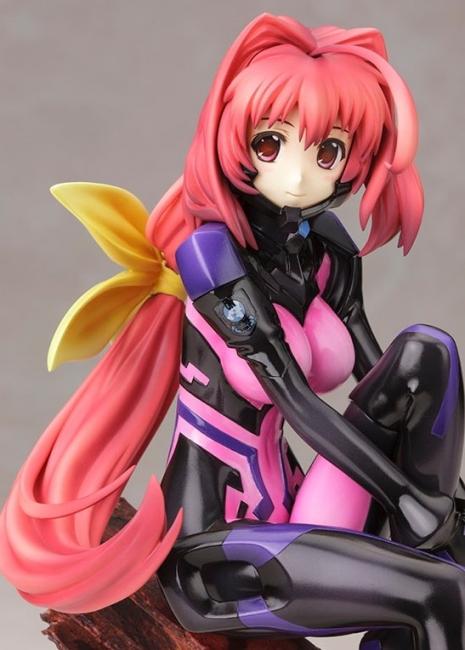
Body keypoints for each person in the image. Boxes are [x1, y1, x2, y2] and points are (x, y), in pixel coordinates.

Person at [1, 13, 465, 650]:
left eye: (326, 152)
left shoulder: (327, 248)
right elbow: (294, 399)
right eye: (272, 144)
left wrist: (444, 501)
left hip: (304, 507)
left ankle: (417, 567)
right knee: (442, 591)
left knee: (428, 354)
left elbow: (377, 374)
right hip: (218, 553)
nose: (298, 176)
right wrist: (402, 495)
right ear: (235, 137)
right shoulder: (211, 256)